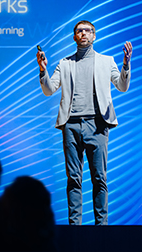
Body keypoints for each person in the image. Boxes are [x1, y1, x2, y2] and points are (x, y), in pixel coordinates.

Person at [36, 20, 132, 225]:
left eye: (87, 31)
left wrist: (126, 64)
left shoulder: (107, 61)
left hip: (97, 125)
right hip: (71, 125)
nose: (83, 34)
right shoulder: (64, 63)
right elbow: (49, 89)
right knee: (73, 179)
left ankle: (101, 228)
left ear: (94, 35)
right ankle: (75, 229)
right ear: (74, 37)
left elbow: (122, 86)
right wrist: (43, 70)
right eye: (79, 31)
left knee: (100, 179)